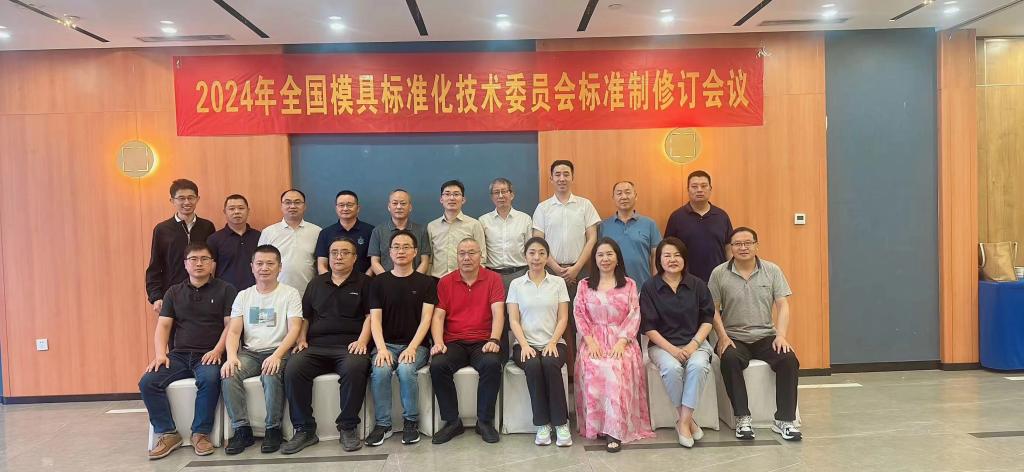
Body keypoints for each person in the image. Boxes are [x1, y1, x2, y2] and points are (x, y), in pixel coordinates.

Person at [139, 242, 236, 460]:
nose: (199, 263)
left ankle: (200, 433)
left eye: (204, 259)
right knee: (148, 381)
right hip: (179, 355)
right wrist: (160, 354)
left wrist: (217, 350)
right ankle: (167, 433)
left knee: (210, 379)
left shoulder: (225, 289)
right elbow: (163, 326)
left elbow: (231, 326)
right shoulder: (173, 292)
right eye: (193, 259)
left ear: (212, 264)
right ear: (185, 264)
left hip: (209, 355)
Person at [281, 237, 373, 454]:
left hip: (350, 345)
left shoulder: (366, 283)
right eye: (334, 253)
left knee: (355, 367)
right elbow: (306, 317)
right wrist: (301, 339)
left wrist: (362, 340)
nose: (338, 257)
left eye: (345, 252)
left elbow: (371, 316)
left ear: (355, 257)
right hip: (316, 346)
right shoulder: (316, 283)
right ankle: (304, 430)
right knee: (293, 368)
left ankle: (348, 427)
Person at [709, 227, 801, 441]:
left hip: (766, 336)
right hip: (733, 336)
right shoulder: (719, 273)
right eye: (737, 244)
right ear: (731, 248)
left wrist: (781, 335)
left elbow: (783, 305)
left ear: (756, 245)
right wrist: (722, 337)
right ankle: (742, 418)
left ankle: (784, 420)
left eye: (748, 243)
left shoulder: (772, 270)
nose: (743, 247)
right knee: (730, 359)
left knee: (789, 360)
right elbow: (713, 309)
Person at [221, 245, 304, 455]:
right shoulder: (243, 296)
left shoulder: (290, 294)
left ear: (280, 267)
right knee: (229, 373)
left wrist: (277, 355)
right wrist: (231, 357)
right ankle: (241, 430)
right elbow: (233, 332)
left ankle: (273, 429)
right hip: (250, 353)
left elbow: (295, 329)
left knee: (270, 374)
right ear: (252, 267)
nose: (264, 268)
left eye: (270, 263)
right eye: (259, 263)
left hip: (279, 350)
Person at [573, 238, 654, 452]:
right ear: (594, 259)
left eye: (609, 254)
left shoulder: (629, 284)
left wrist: (622, 340)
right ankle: (598, 426)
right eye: (600, 255)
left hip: (622, 340)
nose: (605, 259)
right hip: (593, 340)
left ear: (617, 258)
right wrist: (590, 341)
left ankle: (614, 430)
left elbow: (635, 314)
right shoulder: (584, 285)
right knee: (594, 365)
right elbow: (579, 313)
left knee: (614, 368)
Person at [429, 238, 506, 445]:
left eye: (472, 252)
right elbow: (438, 317)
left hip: (483, 341)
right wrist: (438, 342)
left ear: (481, 255)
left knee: (491, 363)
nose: (466, 257)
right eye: (462, 253)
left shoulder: (493, 279)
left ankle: (485, 421)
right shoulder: (445, 282)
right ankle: (452, 422)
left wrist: (494, 339)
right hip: (454, 342)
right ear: (456, 256)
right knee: (438, 364)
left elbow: (498, 313)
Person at [640, 237, 713, 448]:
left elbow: (708, 319)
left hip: (695, 343)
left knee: (698, 365)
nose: (672, 259)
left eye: (677, 255)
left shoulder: (697, 285)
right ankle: (688, 421)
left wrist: (693, 345)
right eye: (667, 255)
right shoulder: (650, 287)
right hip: (662, 346)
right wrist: (673, 350)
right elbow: (648, 327)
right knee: (672, 369)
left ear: (684, 258)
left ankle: (683, 423)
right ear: (659, 260)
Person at [365, 230, 436, 447]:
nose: (401, 251)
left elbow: (426, 319)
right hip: (385, 344)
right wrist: (381, 349)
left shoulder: (427, 282)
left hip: (416, 346)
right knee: (380, 369)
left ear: (415, 252)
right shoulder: (378, 282)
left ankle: (411, 422)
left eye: (406, 247)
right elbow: (375, 320)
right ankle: (383, 424)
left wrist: (412, 348)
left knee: (406, 369)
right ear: (389, 252)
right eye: (396, 247)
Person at [532, 160, 601, 368]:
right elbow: (538, 240)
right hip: (551, 272)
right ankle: (566, 369)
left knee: (583, 319)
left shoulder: (585, 205)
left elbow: (592, 238)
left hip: (581, 271)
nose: (562, 178)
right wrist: (555, 268)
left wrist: (577, 267)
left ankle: (586, 367)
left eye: (566, 174)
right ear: (551, 178)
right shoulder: (543, 208)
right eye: (557, 174)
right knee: (557, 320)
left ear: (572, 177)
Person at [507, 237, 572, 447]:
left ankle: (561, 424)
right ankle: (543, 424)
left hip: (554, 342)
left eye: (542, 253)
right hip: (524, 345)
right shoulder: (516, 284)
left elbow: (563, 318)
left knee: (551, 363)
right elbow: (513, 320)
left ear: (547, 257)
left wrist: (552, 342)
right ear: (525, 256)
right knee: (534, 365)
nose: (537, 257)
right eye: (532, 253)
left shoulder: (558, 283)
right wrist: (524, 345)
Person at [146, 179, 216, 314]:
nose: (187, 202)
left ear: (197, 199)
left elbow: (212, 262)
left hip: (204, 293)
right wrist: (156, 297)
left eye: (191, 198)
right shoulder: (162, 229)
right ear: (172, 200)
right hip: (172, 295)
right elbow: (155, 266)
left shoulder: (207, 227)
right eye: (181, 198)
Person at [664, 170, 733, 282]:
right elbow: (668, 248)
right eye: (694, 186)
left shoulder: (722, 216)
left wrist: (731, 274)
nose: (699, 190)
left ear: (710, 189)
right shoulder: (677, 217)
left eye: (704, 186)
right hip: (685, 280)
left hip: (718, 279)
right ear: (688, 189)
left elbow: (729, 247)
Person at [258, 189, 322, 295]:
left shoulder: (317, 232)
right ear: (281, 206)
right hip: (276, 293)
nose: (292, 206)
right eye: (288, 202)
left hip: (308, 292)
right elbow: (260, 264)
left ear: (304, 206)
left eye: (297, 202)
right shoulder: (268, 232)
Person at [600, 181, 661, 289]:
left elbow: (656, 255)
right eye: (619, 193)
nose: (624, 197)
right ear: (613, 198)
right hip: (612, 289)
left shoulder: (649, 224)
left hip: (643, 287)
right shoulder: (604, 226)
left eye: (628, 192)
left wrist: (656, 283)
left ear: (636, 196)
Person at [479, 178, 533, 291]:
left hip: (520, 274)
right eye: (496, 192)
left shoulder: (525, 219)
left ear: (511, 195)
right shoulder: (483, 221)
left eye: (504, 191)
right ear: (492, 197)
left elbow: (530, 250)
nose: (500, 196)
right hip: (492, 276)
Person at [428, 180, 487, 278]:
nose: (452, 198)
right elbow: (429, 259)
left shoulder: (474, 224)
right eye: (447, 194)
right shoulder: (432, 226)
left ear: (463, 200)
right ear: (441, 199)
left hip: (465, 280)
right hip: (437, 280)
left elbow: (482, 257)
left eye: (456, 194)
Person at [369, 188, 432, 274]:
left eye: (403, 203)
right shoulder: (378, 231)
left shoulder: (421, 231)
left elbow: (425, 261)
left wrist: (415, 279)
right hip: (386, 281)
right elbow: (374, 261)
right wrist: (386, 279)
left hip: (415, 281)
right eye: (395, 203)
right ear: (389, 206)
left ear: (410, 207)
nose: (399, 207)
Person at [207, 194, 261, 290]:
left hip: (255, 292)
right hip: (225, 293)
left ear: (248, 211)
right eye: (231, 209)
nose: (236, 212)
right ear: (225, 212)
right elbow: (210, 271)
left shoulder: (259, 236)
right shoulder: (214, 239)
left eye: (241, 208)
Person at [316, 190, 375, 276]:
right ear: (336, 208)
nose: (345, 208)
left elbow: (374, 261)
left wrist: (365, 280)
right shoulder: (325, 233)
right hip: (333, 283)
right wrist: (332, 281)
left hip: (365, 282)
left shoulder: (371, 231)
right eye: (341, 205)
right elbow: (321, 265)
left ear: (358, 208)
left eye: (349, 205)